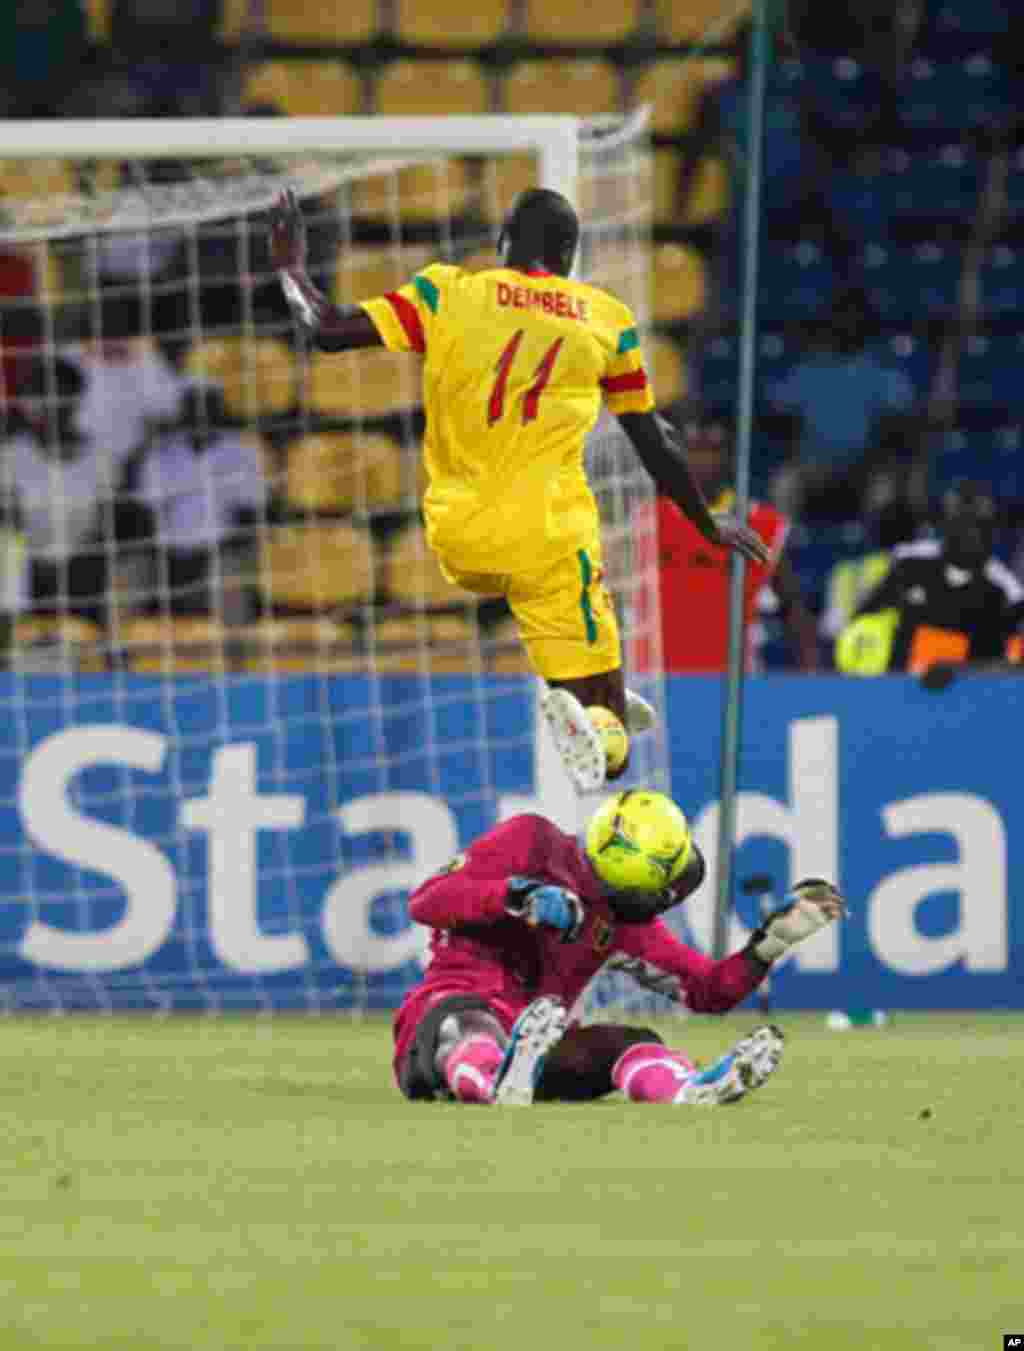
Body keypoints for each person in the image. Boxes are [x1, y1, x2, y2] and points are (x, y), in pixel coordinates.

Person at [270, 187, 770, 791]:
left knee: (602, 691)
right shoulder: (605, 318)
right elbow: (653, 439)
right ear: (568, 254)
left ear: (502, 245)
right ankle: (588, 708)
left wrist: (291, 265)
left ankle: (587, 697)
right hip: (550, 537)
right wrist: (703, 520)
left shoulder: (447, 291)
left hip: (456, 534)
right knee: (612, 756)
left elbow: (324, 329)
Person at [394, 788, 846, 1107]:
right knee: (469, 1027)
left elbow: (707, 990)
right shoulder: (529, 841)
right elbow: (428, 900)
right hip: (443, 1014)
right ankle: (493, 1079)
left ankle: (688, 1090)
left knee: (633, 1042)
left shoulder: (628, 927)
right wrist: (516, 895)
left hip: (536, 1046)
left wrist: (768, 946)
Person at [632, 411, 819, 673]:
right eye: (694, 448)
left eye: (712, 449)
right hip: (654, 680)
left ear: (730, 457)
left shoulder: (762, 524)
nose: (702, 460)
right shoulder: (644, 520)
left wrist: (812, 676)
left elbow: (793, 608)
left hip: (731, 683)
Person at [836, 481, 1024, 679]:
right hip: (894, 687)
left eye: (980, 524)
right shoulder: (909, 562)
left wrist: (959, 670)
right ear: (944, 524)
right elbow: (861, 621)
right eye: (962, 521)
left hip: (966, 696)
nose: (972, 534)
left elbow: (1015, 665)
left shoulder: (1006, 592)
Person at [767, 289, 916, 522]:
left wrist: (871, 457)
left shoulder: (881, 371)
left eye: (855, 318)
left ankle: (876, 556)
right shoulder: (809, 370)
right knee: (784, 483)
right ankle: (781, 555)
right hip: (812, 469)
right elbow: (777, 412)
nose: (848, 324)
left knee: (884, 490)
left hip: (864, 472)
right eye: (842, 317)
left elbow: (900, 423)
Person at [136, 380, 266, 619]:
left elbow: (249, 518)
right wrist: (169, 557)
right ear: (183, 412)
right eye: (193, 407)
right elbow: (146, 517)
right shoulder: (160, 454)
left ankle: (234, 655)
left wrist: (209, 556)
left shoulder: (243, 453)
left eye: (207, 407)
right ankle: (119, 652)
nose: (200, 415)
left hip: (221, 552)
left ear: (219, 411)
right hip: (167, 555)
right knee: (128, 573)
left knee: (229, 578)